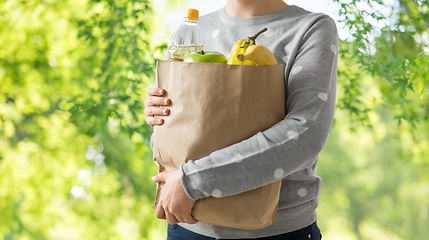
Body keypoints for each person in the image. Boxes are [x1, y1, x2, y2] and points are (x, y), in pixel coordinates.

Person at [145, 0, 338, 239]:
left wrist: (192, 181)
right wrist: (160, 114)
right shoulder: (193, 30)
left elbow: (305, 134)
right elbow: (179, 135)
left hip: (278, 232)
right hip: (187, 227)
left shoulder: (310, 28)